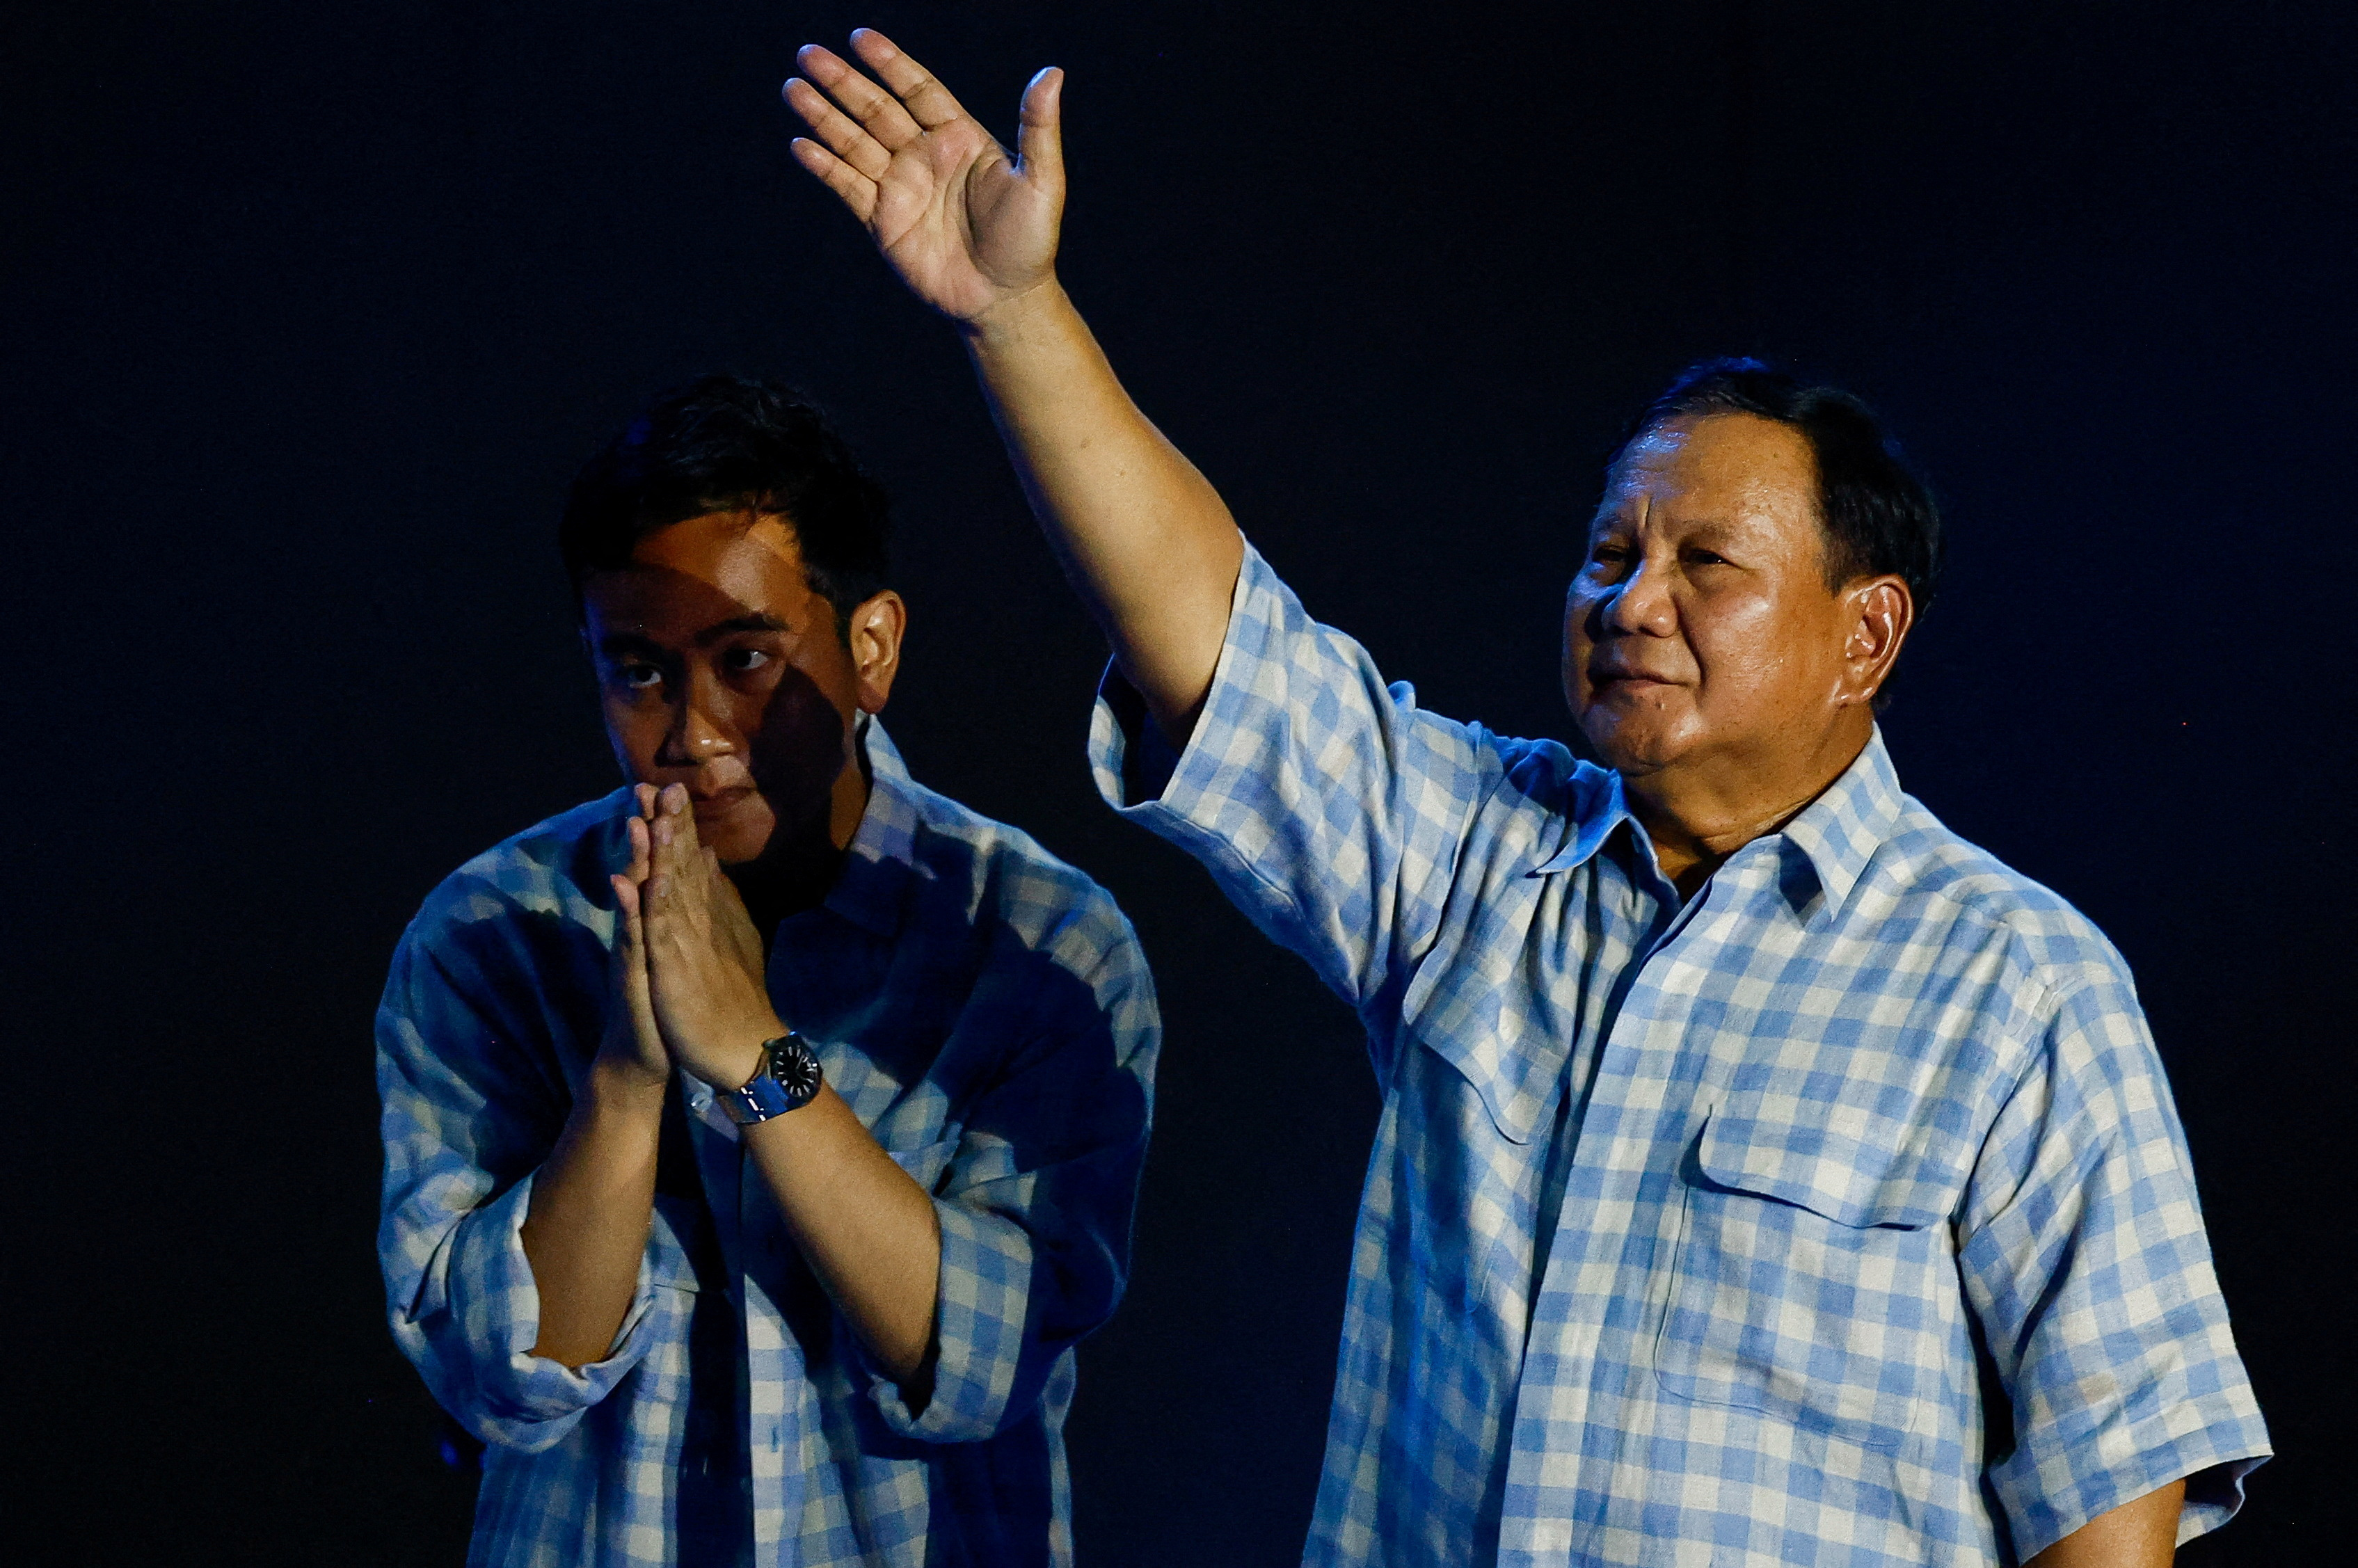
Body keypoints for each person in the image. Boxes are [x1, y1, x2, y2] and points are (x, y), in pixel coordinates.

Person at [781, 30, 2270, 1568]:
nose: (1629, 600)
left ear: (1866, 634)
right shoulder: (1483, 867)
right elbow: (1213, 637)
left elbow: (2109, 1500)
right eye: (1610, 551)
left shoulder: (2019, 989)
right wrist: (1016, 316)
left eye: (1707, 564)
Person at [375, 375, 1159, 1568]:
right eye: (636, 670)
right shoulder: (490, 930)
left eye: (745, 657)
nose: (691, 732)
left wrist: (755, 1055)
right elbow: (501, 1381)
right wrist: (630, 1076)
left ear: (872, 645)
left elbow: (981, 1365)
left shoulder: (1040, 940)